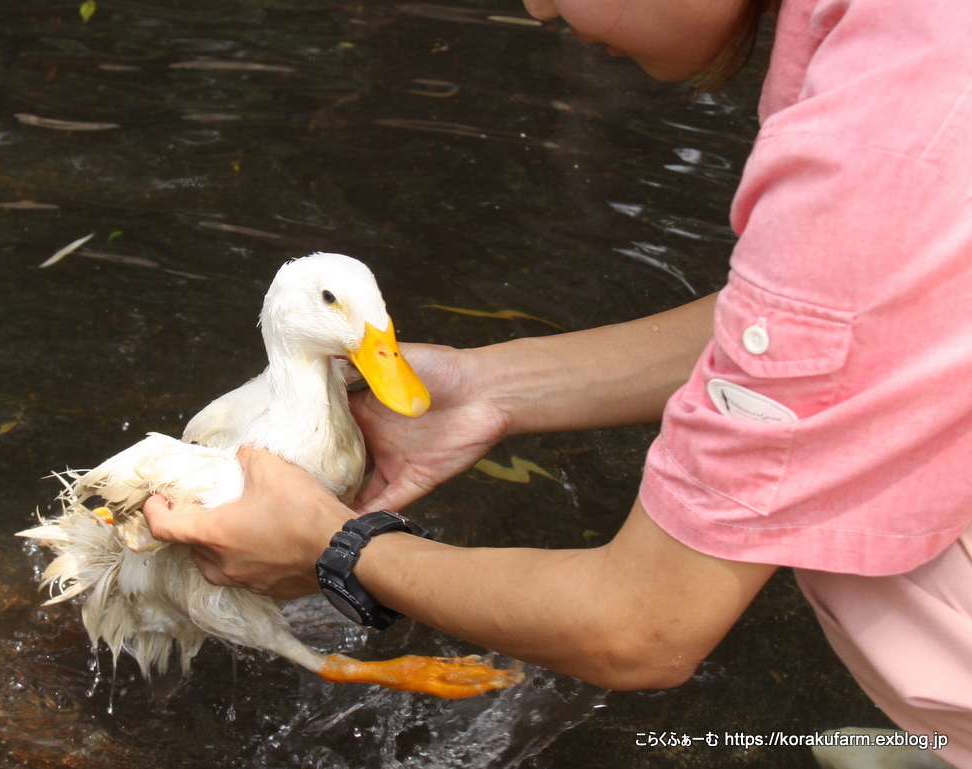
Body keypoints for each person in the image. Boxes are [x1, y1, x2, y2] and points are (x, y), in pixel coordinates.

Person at [144, 0, 972, 765]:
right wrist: (490, 388)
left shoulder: (883, 147)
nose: (535, 4)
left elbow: (640, 625)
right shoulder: (903, 46)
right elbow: (854, 310)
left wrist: (338, 549)